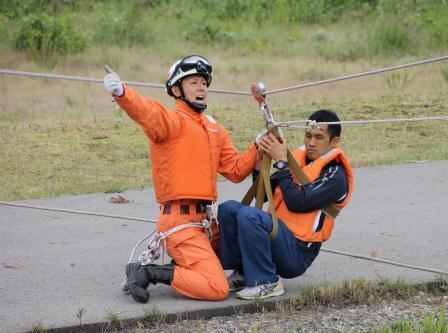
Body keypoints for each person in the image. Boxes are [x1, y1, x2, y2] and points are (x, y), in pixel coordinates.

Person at [103, 55, 258, 303]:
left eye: (204, 83)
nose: (202, 88)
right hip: (180, 224)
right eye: (194, 82)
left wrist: (259, 145)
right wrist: (122, 93)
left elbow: (236, 170)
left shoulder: (215, 129)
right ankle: (147, 272)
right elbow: (148, 112)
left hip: (206, 223)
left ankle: (186, 265)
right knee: (216, 288)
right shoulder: (171, 122)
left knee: (250, 238)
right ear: (177, 90)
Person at [218, 109, 354, 300]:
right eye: (308, 136)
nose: (311, 143)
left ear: (334, 142)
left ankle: (267, 281)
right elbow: (265, 196)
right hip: (278, 237)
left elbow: (298, 202)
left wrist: (282, 163)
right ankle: (242, 273)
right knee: (229, 209)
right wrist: (259, 166)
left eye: (319, 137)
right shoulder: (300, 161)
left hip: (297, 253)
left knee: (249, 215)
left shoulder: (336, 176)